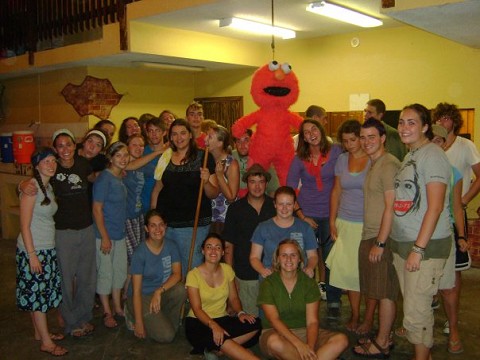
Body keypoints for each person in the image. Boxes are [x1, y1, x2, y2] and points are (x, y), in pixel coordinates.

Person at [21, 129, 97, 338]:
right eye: (60, 146)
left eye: (69, 144)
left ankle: (83, 317)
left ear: (75, 146)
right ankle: (71, 323)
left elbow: (93, 178)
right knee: (65, 279)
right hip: (63, 233)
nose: (65, 149)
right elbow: (31, 183)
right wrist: (22, 183)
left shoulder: (83, 164)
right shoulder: (49, 171)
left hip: (87, 229)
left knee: (87, 278)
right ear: (55, 149)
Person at [390, 104, 452, 360]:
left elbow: (435, 207)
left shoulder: (432, 155)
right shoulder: (411, 155)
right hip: (405, 247)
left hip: (423, 249)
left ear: (425, 126)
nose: (405, 127)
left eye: (412, 122)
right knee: (414, 310)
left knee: (418, 313)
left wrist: (418, 249)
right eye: (402, 122)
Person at [352, 119, 400, 358]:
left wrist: (380, 242)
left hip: (381, 237)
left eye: (372, 136)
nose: (366, 141)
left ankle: (382, 342)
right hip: (369, 233)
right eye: (363, 137)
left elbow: (391, 206)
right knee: (379, 289)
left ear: (383, 138)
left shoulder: (389, 164)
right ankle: (385, 335)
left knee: (385, 292)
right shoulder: (375, 164)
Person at [286, 118, 343, 316]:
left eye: (314, 129)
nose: (311, 133)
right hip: (307, 215)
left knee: (330, 261)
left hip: (331, 215)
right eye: (306, 132)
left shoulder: (336, 151)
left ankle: (334, 302)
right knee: (303, 260)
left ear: (321, 129)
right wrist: (300, 215)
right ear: (303, 138)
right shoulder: (299, 159)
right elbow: (290, 189)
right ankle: (305, 302)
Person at [257, 239, 348, 360]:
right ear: (278, 259)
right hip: (276, 332)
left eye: (293, 255)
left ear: (300, 258)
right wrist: (299, 345)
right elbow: (274, 320)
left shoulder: (309, 283)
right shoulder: (268, 284)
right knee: (274, 342)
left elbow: (312, 322)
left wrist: (309, 347)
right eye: (284, 255)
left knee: (341, 340)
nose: (288, 259)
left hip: (305, 331)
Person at [16, 147, 68, 357]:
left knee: (39, 292)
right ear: (36, 165)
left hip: (46, 246)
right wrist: (32, 255)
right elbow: (24, 225)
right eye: (46, 161)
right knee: (38, 296)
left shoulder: (47, 186)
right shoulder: (32, 188)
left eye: (53, 161)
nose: (51, 164)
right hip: (34, 249)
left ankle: (40, 333)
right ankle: (46, 342)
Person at [151, 118, 219, 276]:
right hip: (167, 224)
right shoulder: (166, 156)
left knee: (191, 270)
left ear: (190, 135)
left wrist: (207, 180)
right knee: (169, 270)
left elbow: (213, 193)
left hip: (193, 225)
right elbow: (157, 189)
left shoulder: (204, 157)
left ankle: (191, 300)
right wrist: (153, 218)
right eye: (174, 134)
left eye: (182, 133)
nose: (178, 137)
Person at [185, 233, 261, 359]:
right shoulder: (193, 275)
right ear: (203, 251)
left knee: (256, 323)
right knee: (222, 337)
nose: (213, 251)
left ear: (222, 252)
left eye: (218, 247)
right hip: (199, 322)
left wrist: (241, 313)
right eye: (209, 247)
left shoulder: (227, 269)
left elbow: (234, 298)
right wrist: (213, 325)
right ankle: (224, 347)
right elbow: (197, 309)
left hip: (222, 319)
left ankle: (218, 350)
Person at [326, 119, 369, 332]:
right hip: (345, 221)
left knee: (365, 273)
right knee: (349, 274)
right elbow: (336, 191)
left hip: (366, 224)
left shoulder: (373, 160)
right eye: (345, 141)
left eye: (353, 139)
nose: (350, 144)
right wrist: (332, 221)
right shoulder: (342, 160)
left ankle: (367, 317)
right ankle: (354, 313)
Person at [431, 124, 470, 354]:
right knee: (421, 284)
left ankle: (453, 329)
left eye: (439, 140)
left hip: (447, 232)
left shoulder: (453, 172)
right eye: (431, 140)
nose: (435, 144)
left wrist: (462, 235)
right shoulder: (416, 167)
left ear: (445, 144)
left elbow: (456, 207)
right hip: (421, 233)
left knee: (450, 286)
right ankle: (419, 326)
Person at [125, 210, 186, 343]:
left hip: (158, 293)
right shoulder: (140, 253)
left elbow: (177, 274)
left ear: (165, 226)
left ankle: (159, 319)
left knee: (181, 289)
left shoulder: (171, 246)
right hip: (141, 297)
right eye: (153, 225)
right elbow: (136, 291)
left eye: (161, 225)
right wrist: (140, 323)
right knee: (167, 336)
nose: (158, 229)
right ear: (146, 228)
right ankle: (133, 315)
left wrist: (159, 291)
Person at [223, 164, 276, 316]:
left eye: (261, 181)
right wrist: (230, 276)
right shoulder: (235, 209)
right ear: (247, 183)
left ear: (266, 183)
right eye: (253, 181)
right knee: (251, 319)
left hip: (272, 273)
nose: (257, 186)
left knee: (272, 319)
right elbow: (229, 243)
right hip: (245, 274)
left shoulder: (275, 206)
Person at [93, 141, 129, 328]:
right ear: (111, 158)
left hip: (119, 233)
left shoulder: (118, 177)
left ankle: (117, 306)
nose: (123, 159)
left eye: (125, 155)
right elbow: (97, 209)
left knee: (120, 271)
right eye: (118, 155)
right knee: (105, 273)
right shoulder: (104, 179)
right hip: (104, 236)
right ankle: (107, 311)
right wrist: (104, 237)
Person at [250, 186, 318, 281]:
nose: (284, 208)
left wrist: (310, 268)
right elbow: (254, 257)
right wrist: (262, 270)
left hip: (299, 279)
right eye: (281, 204)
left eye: (289, 204)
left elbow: (313, 256)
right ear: (275, 204)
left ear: (294, 205)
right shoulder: (263, 227)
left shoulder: (305, 227)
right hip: (271, 279)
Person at [206, 124, 240, 234]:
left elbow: (231, 197)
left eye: (210, 137)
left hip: (224, 219)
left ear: (220, 143)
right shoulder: (206, 159)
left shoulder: (231, 163)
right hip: (207, 217)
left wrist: (220, 176)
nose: (205, 139)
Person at [232, 129, 280, 198]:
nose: (242, 145)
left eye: (246, 140)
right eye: (238, 141)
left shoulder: (263, 158)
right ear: (235, 143)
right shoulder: (230, 157)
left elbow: (274, 189)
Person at [140, 117, 168, 213]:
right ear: (147, 133)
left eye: (157, 130)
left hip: (166, 202)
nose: (154, 134)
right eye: (151, 131)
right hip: (144, 203)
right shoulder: (141, 152)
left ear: (164, 132)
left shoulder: (171, 153)